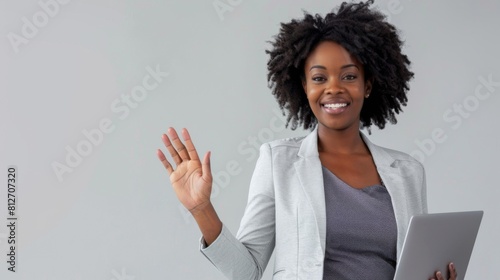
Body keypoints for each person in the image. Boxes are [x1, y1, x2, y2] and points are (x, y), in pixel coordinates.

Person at [157, 1, 457, 279]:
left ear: (368, 85)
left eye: (349, 76)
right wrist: (201, 209)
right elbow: (246, 271)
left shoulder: (407, 171)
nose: (334, 88)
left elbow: (415, 268)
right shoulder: (279, 162)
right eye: (319, 78)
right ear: (304, 87)